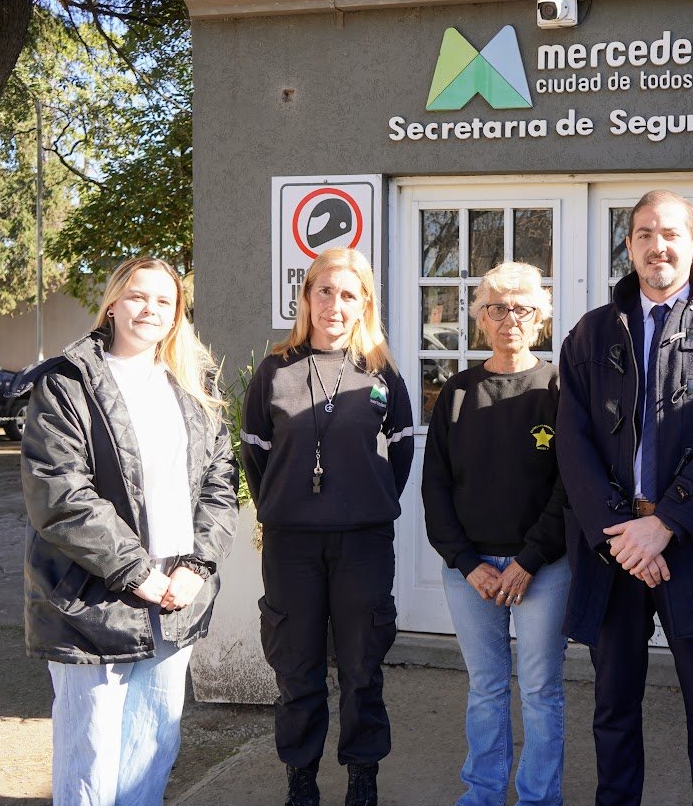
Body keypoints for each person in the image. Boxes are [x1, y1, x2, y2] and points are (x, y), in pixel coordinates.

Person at [557, 189, 693, 806]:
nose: (659, 246)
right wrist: (623, 532)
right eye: (646, 234)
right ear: (629, 246)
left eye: (671, 233)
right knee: (612, 709)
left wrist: (667, 522)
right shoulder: (591, 333)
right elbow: (572, 441)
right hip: (615, 548)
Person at [21, 256, 239, 806]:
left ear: (177, 314)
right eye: (138, 296)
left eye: (164, 301)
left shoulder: (193, 385)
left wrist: (196, 566)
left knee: (153, 743)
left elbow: (219, 482)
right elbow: (60, 493)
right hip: (93, 594)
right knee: (91, 752)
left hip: (176, 593)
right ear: (114, 303)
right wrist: (135, 571)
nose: (150, 309)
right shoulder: (68, 382)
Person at [241, 247, 414, 806]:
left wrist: (365, 501)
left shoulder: (382, 372)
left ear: (364, 303)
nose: (334, 305)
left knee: (363, 666)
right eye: (324, 291)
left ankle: (363, 776)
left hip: (364, 543)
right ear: (307, 297)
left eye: (348, 294)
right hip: (291, 545)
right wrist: (290, 504)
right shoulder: (274, 371)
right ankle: (301, 779)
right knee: (297, 668)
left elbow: (401, 456)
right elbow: (256, 457)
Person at [423, 261, 569, 806]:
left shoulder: (559, 388)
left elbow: (570, 487)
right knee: (485, 687)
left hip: (544, 569)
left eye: (524, 308)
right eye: (498, 308)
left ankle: (538, 798)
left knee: (540, 689)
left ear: (541, 319)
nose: (511, 319)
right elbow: (435, 486)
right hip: (471, 572)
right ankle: (482, 793)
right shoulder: (459, 392)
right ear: (481, 319)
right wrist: (466, 563)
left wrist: (530, 560)